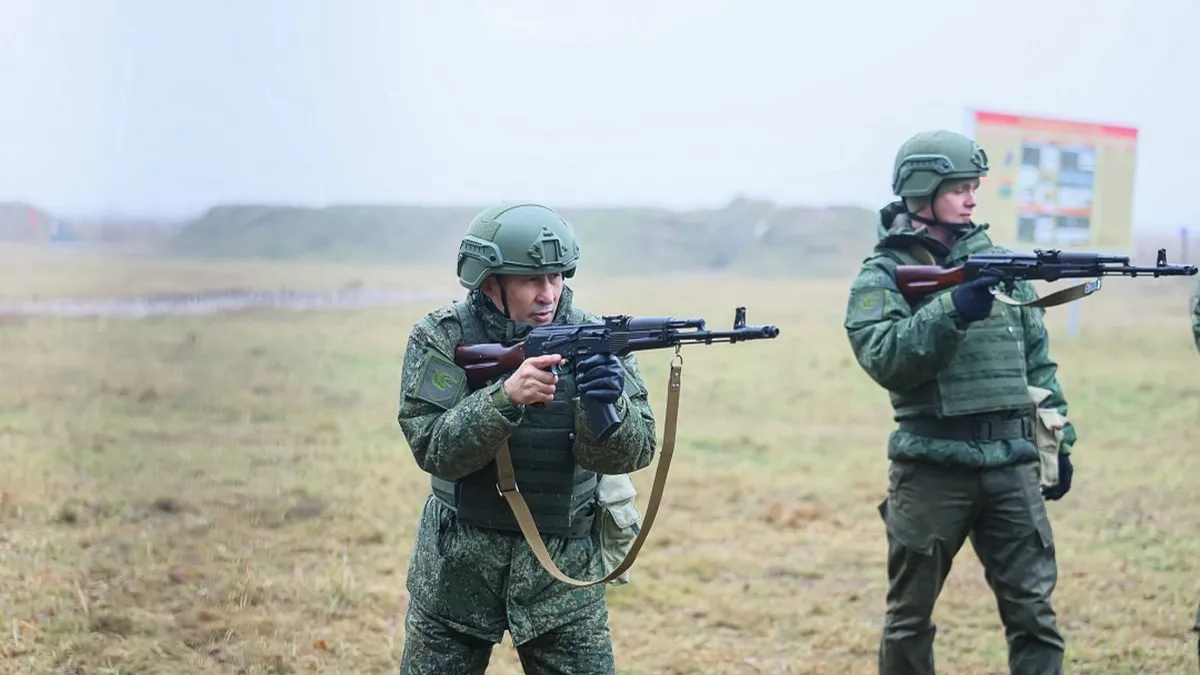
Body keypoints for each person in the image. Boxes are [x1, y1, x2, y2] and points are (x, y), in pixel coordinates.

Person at [843, 129, 1078, 674]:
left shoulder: (1001, 266)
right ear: (922, 191)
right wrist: (953, 309)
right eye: (959, 188)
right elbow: (884, 357)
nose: (973, 198)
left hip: (1012, 467)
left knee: (1035, 618)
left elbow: (1037, 363)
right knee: (909, 620)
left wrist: (1059, 439)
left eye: (975, 186)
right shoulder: (882, 275)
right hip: (931, 468)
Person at [394, 202, 658, 674]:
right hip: (456, 573)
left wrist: (605, 406)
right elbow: (432, 447)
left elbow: (636, 453)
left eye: (556, 277)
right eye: (531, 280)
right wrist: (504, 398)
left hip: (564, 581)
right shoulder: (442, 336)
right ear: (490, 281)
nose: (548, 293)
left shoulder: (596, 339)